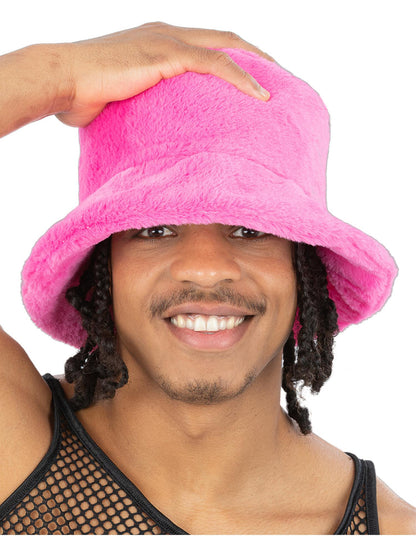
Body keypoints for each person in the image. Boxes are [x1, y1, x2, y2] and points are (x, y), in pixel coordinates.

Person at [0, 21, 415, 536]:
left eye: (249, 229)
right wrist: (56, 73)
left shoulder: (393, 535)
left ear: (304, 265)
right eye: (154, 229)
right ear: (100, 265)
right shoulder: (16, 445)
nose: (206, 267)